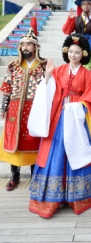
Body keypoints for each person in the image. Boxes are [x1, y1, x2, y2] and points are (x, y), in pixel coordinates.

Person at [28, 33, 91, 218]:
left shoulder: (87, 74)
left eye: (77, 52)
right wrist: (47, 76)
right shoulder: (59, 71)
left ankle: (78, 195)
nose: (73, 55)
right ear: (66, 52)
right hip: (60, 116)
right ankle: (54, 195)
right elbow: (50, 92)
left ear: (83, 54)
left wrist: (79, 107)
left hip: (78, 118)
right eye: (70, 52)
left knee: (78, 149)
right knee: (56, 152)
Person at [0, 29, 47, 191]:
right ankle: (15, 176)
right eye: (23, 45)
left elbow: (49, 88)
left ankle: (35, 177)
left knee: (33, 141)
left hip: (35, 110)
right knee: (14, 140)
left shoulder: (43, 66)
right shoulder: (13, 65)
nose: (25, 47)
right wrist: (3, 107)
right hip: (14, 109)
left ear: (35, 47)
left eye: (29, 44)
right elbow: (7, 87)